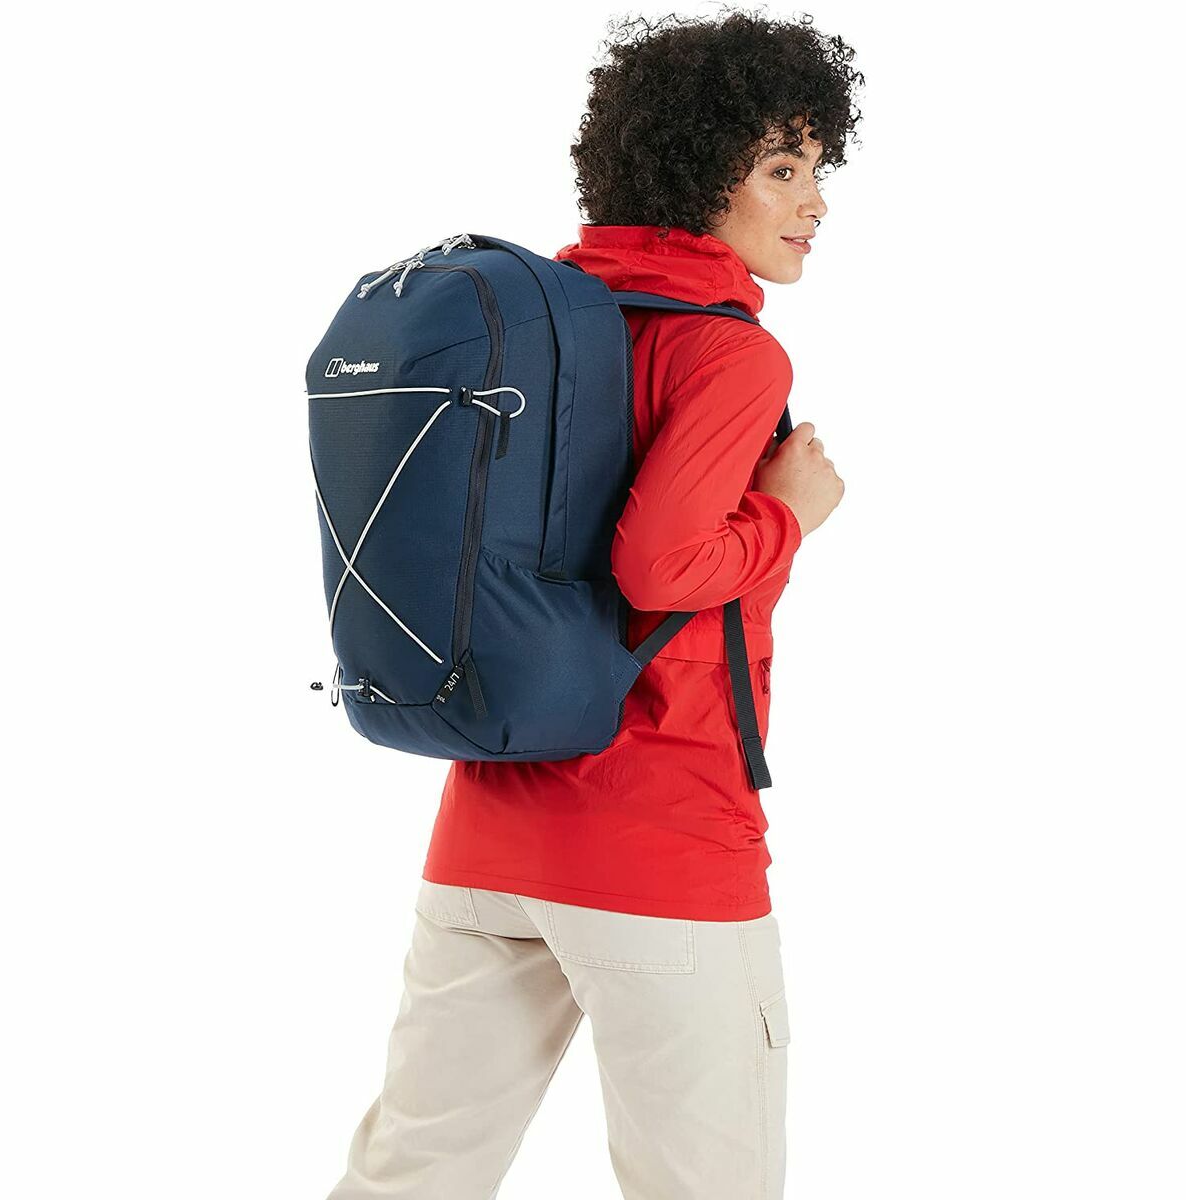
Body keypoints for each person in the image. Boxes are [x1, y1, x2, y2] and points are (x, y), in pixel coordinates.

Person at [324, 10, 860, 1198]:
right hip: (664, 842)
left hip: (488, 831)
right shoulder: (732, 355)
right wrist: (789, 515)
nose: (816, 201)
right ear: (696, 168)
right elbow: (661, 569)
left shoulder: (545, 326)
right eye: (783, 169)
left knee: (411, 1174)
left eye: (819, 168)